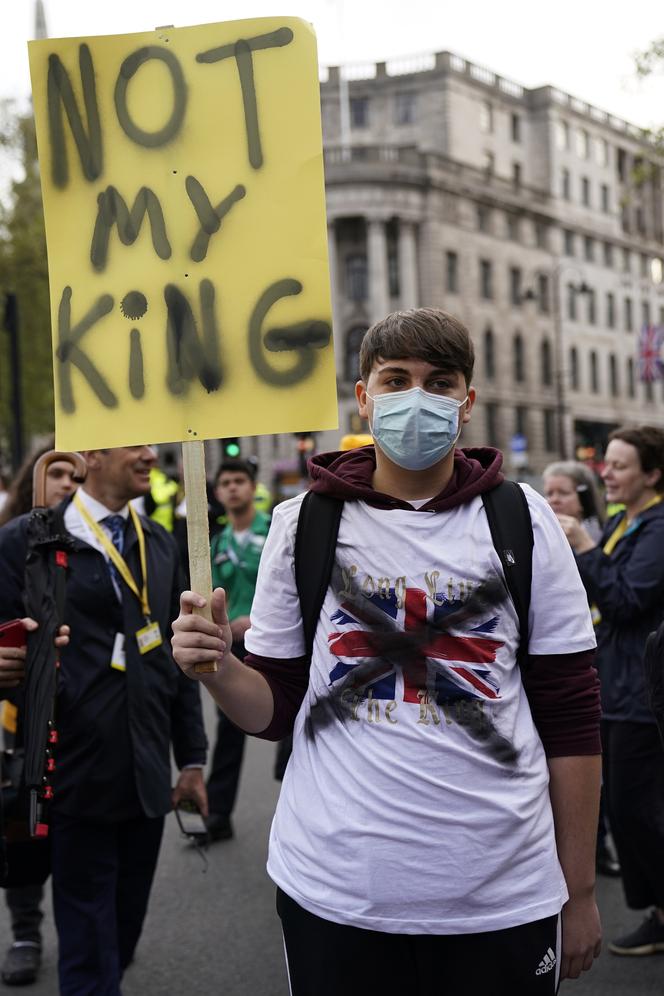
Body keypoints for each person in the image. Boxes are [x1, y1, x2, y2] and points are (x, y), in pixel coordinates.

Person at [172, 308, 602, 995]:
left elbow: (573, 717)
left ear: (467, 403)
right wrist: (220, 668)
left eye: (440, 382)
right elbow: (276, 711)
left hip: (503, 897)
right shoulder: (304, 522)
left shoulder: (525, 521)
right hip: (337, 894)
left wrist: (577, 889)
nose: (416, 400)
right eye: (395, 380)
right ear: (363, 396)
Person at [0, 445, 207, 995]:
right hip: (70, 776)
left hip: (143, 780)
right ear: (91, 451)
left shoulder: (160, 542)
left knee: (120, 935)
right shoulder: (28, 540)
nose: (150, 454)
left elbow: (175, 657)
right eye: (135, 443)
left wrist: (190, 759)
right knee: (89, 954)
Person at [559, 425, 664, 957]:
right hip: (616, 683)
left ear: (653, 474)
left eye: (620, 466)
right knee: (626, 808)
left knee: (636, 808)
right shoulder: (628, 520)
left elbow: (626, 600)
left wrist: (584, 547)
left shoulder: (658, 528)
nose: (607, 473)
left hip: (642, 694)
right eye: (607, 463)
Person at [0, 444, 78, 987]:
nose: (69, 485)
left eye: (78, 476)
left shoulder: (100, 547)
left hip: (83, 714)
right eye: (59, 475)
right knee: (22, 825)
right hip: (19, 715)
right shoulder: (9, 546)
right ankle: (25, 929)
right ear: (35, 482)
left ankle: (85, 929)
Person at [205, 459, 270, 841]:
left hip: (274, 644)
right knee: (229, 733)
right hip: (234, 648)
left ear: (252, 487)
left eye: (239, 481)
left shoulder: (276, 530)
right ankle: (218, 816)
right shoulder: (216, 543)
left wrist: (256, 621)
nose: (232, 488)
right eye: (225, 482)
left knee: (297, 730)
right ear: (217, 493)